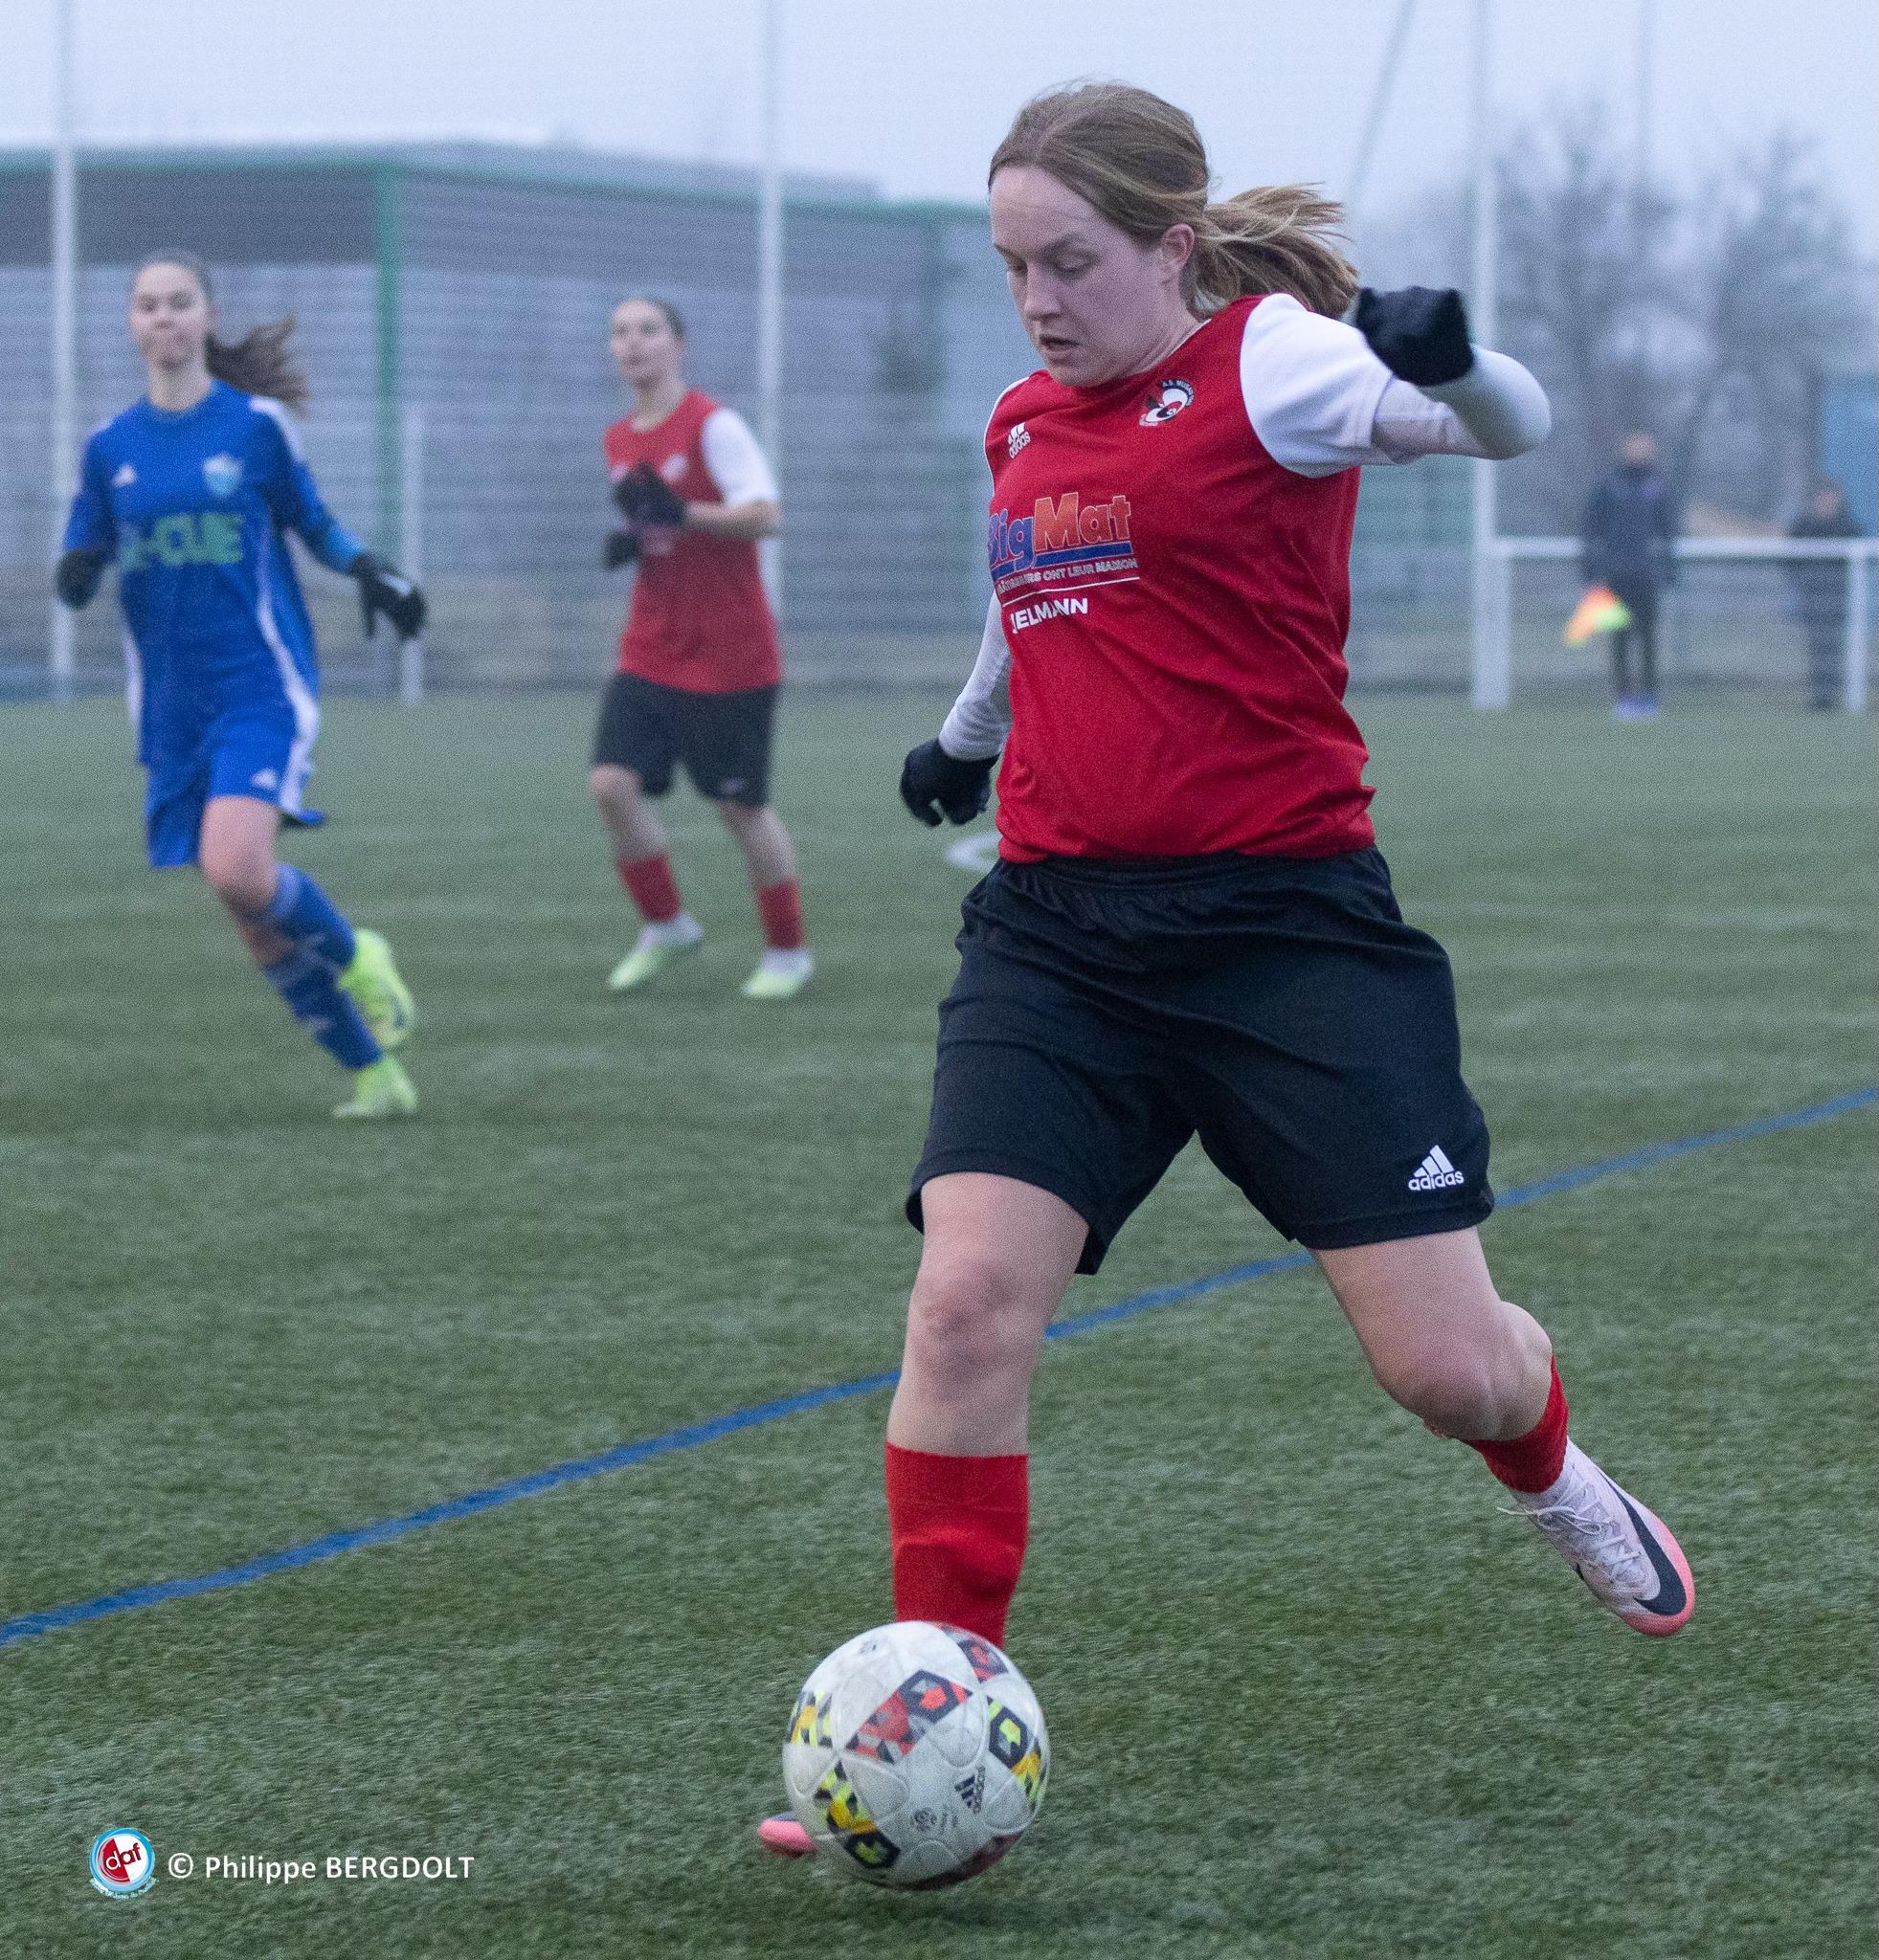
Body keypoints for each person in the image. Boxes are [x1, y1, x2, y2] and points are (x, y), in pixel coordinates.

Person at [756, 80, 1692, 1860]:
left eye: (1068, 261)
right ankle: (922, 1728)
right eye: (1010, 265)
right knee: (962, 1310)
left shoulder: (1273, 366)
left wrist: (1456, 358)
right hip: (1059, 937)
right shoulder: (1022, 417)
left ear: (1169, 245)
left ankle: (1554, 1472)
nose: (1035, 299)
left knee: (1448, 1373)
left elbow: (1503, 427)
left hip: (1285, 940)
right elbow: (1024, 591)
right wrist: (964, 741)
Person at [55, 251, 424, 1119]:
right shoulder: (108, 447)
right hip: (169, 705)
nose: (164, 318)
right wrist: (74, 572)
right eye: (148, 305)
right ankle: (375, 1075)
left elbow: (312, 522)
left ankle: (361, 955)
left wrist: (369, 568)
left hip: (258, 682)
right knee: (251, 916)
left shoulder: (256, 426)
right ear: (132, 323)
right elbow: (84, 548)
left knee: (236, 868)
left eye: (179, 302)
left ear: (208, 317)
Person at [590, 296, 811, 1001]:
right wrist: (637, 539)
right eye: (620, 332)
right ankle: (667, 926)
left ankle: (787, 952)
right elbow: (658, 525)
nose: (633, 343)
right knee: (611, 785)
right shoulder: (618, 438)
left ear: (678, 345)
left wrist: (683, 513)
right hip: (652, 646)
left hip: (731, 655)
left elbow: (764, 516)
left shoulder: (714, 426)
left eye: (648, 330)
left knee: (739, 810)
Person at [1580, 429, 1678, 720]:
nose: (1640, 452)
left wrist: (1670, 568)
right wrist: (1591, 569)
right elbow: (1590, 528)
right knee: (1619, 637)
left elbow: (1668, 530)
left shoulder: (1657, 486)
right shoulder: (1609, 486)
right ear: (1625, 451)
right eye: (1635, 447)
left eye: (1645, 448)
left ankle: (1649, 697)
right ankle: (1623, 698)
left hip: (1646, 575)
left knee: (1648, 638)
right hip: (1615, 576)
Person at [1786, 476, 1863, 711]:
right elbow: (1789, 557)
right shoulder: (1804, 524)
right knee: (1817, 647)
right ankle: (1819, 696)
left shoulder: (1846, 525)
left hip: (1838, 596)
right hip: (1813, 597)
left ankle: (1833, 695)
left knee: (1834, 646)